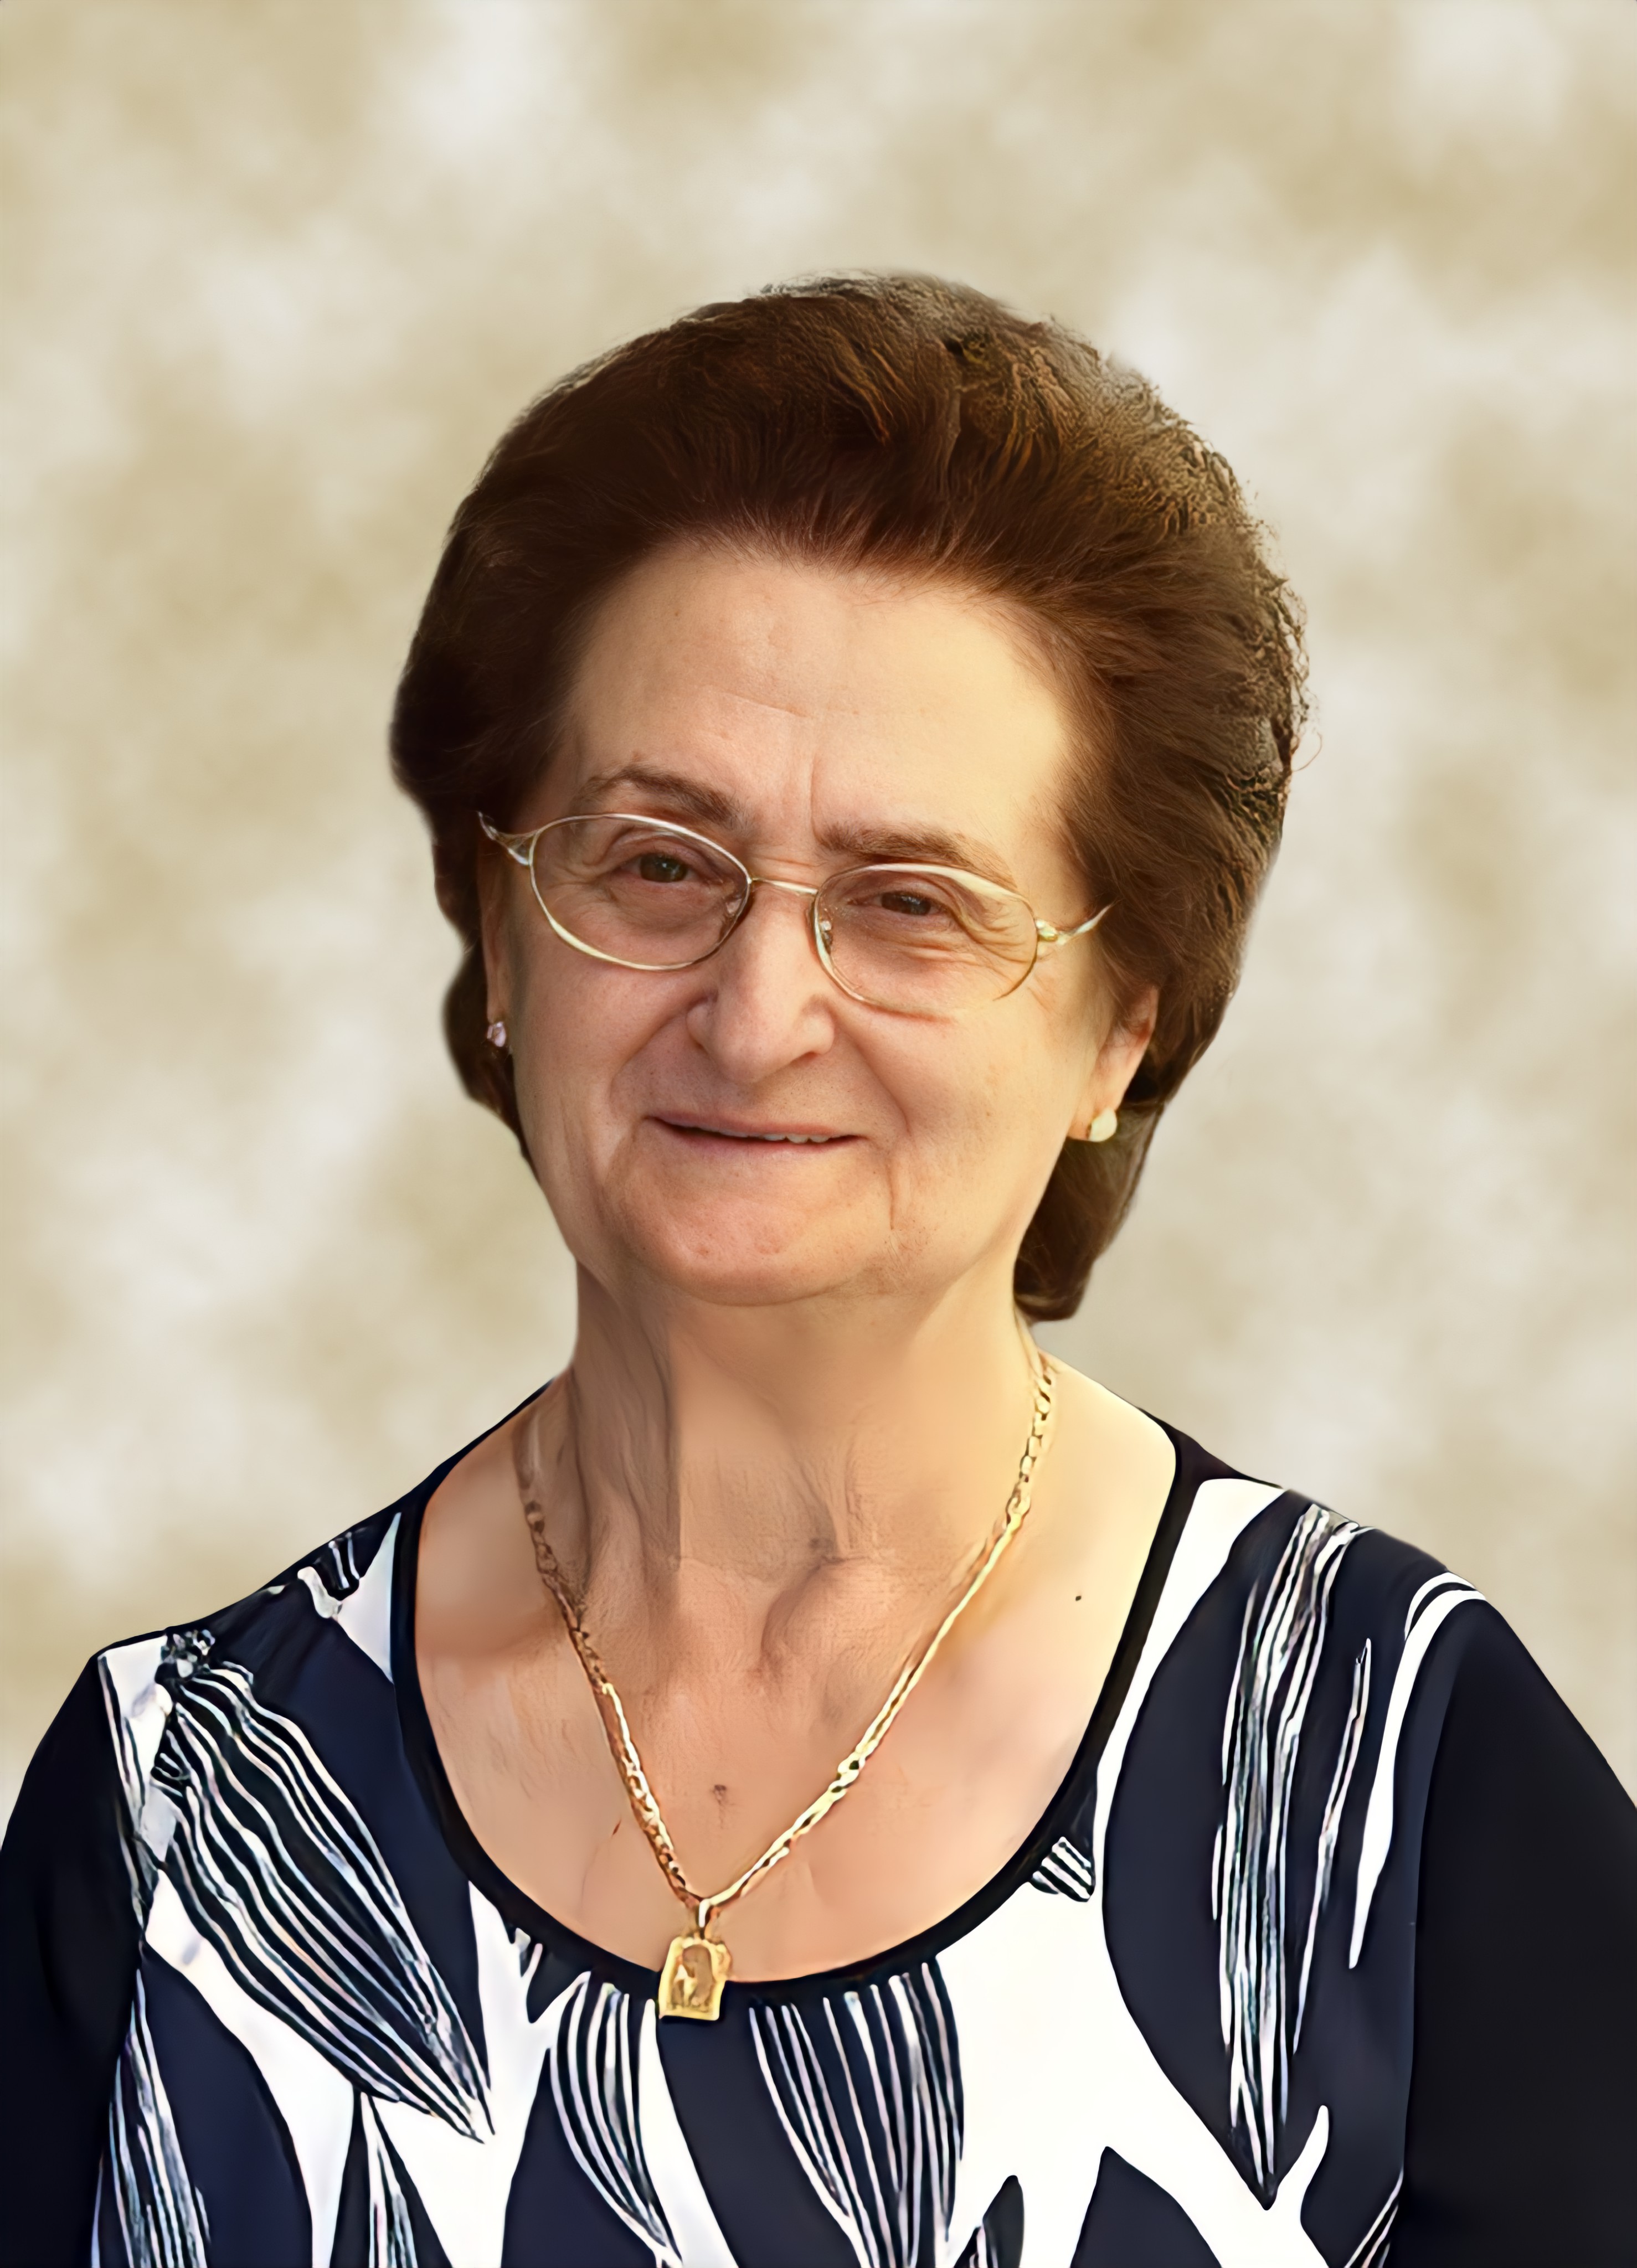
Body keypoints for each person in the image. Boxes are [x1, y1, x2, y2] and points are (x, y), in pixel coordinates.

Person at [3, 275, 1632, 2268]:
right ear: (499, 936)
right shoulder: (175, 1807)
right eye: (656, 865)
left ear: (1121, 1028)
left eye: (911, 903)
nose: (757, 1014)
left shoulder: (1397, 1788)